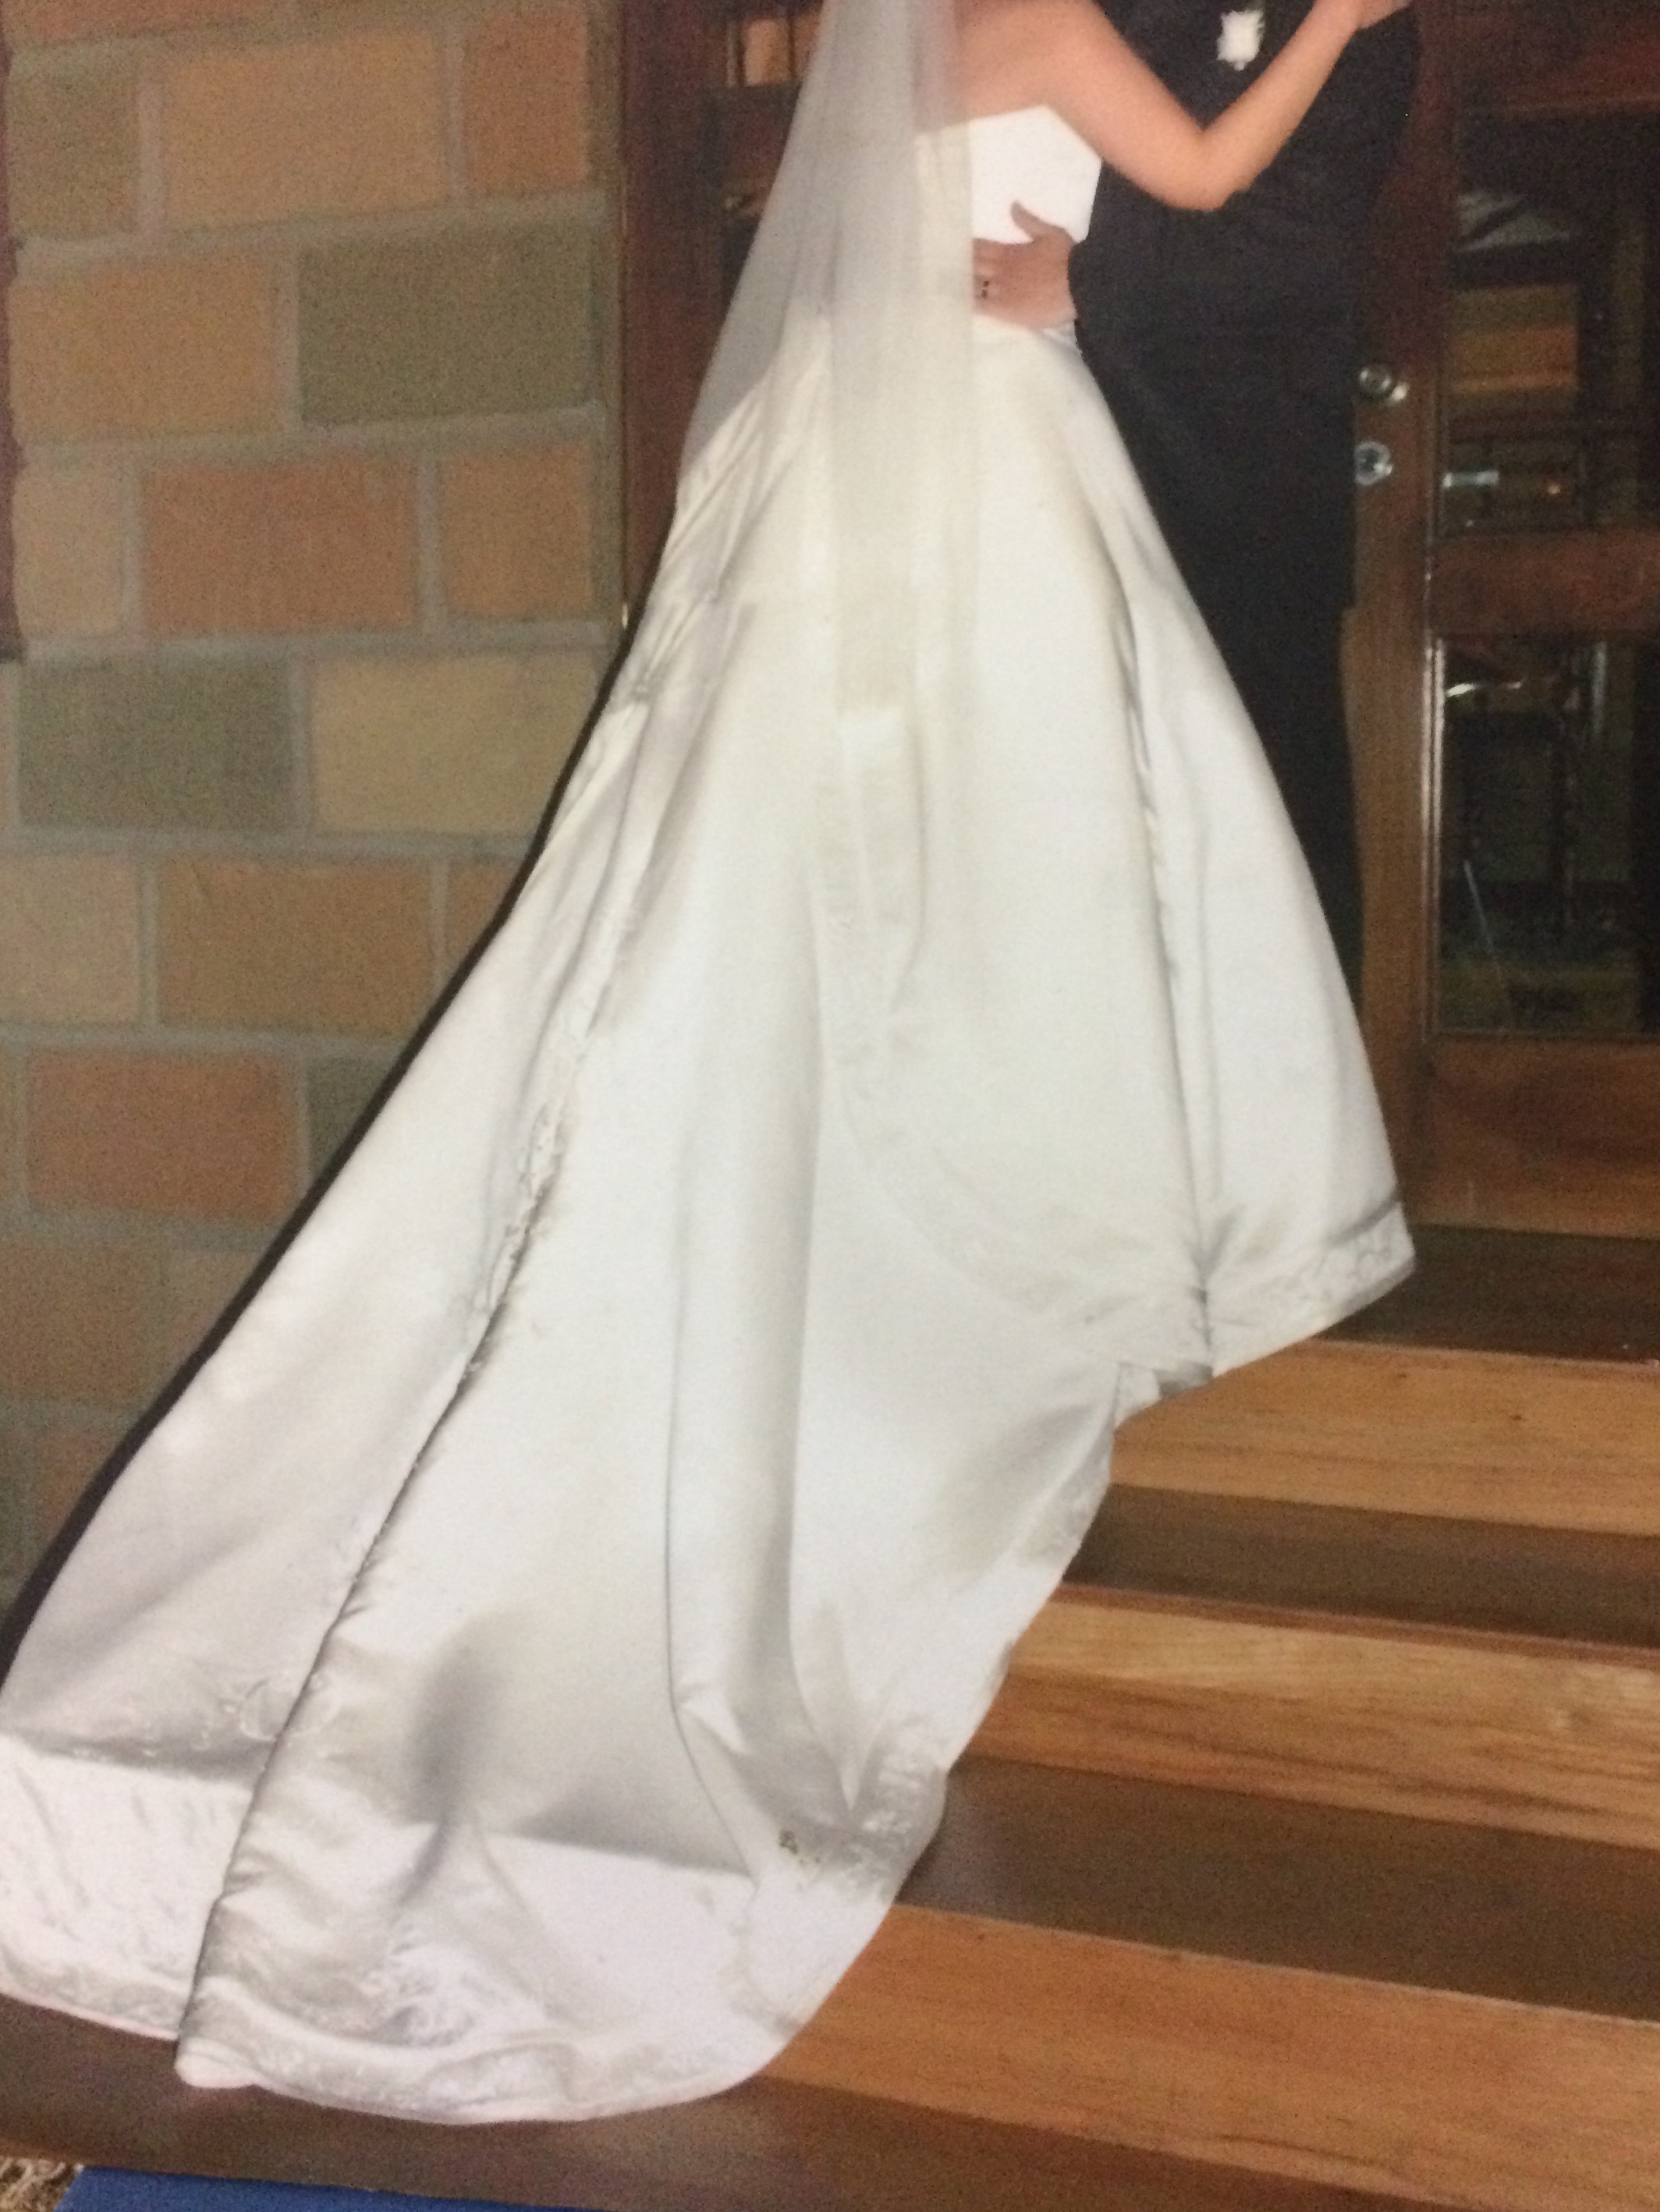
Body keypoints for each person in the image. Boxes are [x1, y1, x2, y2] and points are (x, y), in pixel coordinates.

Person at [0, 0, 1411, 2129]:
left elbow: (1075, 231)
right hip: (988, 452)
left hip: (848, 450)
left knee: (826, 871)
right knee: (1024, 860)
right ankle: (1017, 1192)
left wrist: (1093, 265)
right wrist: (1347, 25)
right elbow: (1208, 178)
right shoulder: (1051, 24)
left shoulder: (906, 44)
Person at [974, 0, 1420, 988]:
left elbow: (1297, 245)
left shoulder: (1360, 23)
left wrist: (1087, 282)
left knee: (1264, 822)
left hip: (1239, 475)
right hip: (1051, 454)